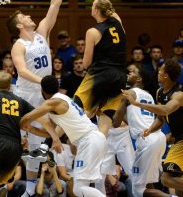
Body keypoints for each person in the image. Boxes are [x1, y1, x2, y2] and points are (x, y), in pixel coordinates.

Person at [6, 0, 78, 197]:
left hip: (45, 92)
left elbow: (54, 5)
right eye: (24, 17)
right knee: (27, 144)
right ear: (19, 25)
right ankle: (19, 186)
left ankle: (30, 187)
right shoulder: (18, 45)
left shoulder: (41, 33)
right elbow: (22, 71)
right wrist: (43, 81)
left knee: (44, 141)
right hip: (26, 94)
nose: (29, 16)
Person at [20, 75, 107, 197]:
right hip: (93, 139)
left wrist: (21, 124)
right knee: (82, 188)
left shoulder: (53, 102)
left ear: (42, 91)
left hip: (89, 140)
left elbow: (27, 117)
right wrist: (31, 129)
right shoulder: (62, 100)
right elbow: (50, 132)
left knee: (78, 188)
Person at [0, 70, 61, 197]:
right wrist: (54, 137)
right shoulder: (19, 101)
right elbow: (44, 120)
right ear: (10, 86)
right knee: (1, 181)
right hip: (15, 150)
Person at [73, 0, 127, 137]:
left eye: (93, 5)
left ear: (96, 11)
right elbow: (103, 2)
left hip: (101, 74)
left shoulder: (93, 31)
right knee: (104, 120)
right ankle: (98, 155)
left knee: (74, 109)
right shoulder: (117, 19)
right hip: (119, 76)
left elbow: (87, 63)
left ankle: (50, 145)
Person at [122, 59, 183, 196]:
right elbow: (161, 118)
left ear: (166, 75)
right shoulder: (159, 92)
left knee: (166, 179)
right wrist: (150, 129)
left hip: (181, 141)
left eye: (161, 70)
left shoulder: (178, 95)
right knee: (178, 184)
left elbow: (166, 109)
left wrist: (137, 104)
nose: (158, 73)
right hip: (178, 140)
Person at [113, 66, 167, 197]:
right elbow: (132, 118)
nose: (129, 73)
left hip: (146, 139)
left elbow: (115, 122)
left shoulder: (129, 93)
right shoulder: (148, 95)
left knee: (137, 190)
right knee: (147, 184)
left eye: (133, 72)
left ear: (139, 78)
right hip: (159, 138)